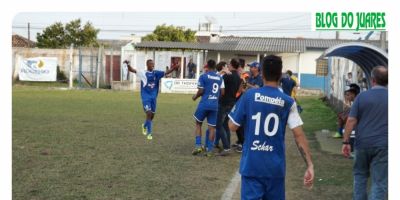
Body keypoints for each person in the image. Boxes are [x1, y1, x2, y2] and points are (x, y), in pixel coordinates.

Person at [228, 55, 314, 199]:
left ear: (262, 74)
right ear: (280, 75)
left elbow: (232, 126)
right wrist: (310, 164)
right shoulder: (288, 101)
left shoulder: (249, 96)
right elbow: (299, 135)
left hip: (252, 166)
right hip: (275, 169)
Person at [342, 66, 388, 200]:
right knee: (379, 182)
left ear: (372, 80)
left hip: (362, 144)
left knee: (360, 176)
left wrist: (346, 142)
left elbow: (351, 120)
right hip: (384, 145)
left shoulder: (361, 97)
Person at [125, 59, 177, 140]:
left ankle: (144, 125)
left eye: (153, 64)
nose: (153, 65)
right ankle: (149, 134)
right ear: (147, 65)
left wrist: (174, 67)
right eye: (151, 64)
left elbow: (166, 72)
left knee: (151, 117)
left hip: (153, 98)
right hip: (145, 97)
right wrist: (128, 64)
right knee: (148, 113)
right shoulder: (143, 73)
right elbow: (131, 70)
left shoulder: (156, 73)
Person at [192, 59, 225, 157]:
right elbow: (223, 92)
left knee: (198, 124)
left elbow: (201, 91)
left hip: (204, 104)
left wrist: (195, 97)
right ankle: (210, 150)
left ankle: (198, 146)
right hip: (214, 105)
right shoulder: (220, 77)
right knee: (212, 128)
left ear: (207, 66)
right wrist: (215, 98)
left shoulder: (203, 76)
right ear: (215, 66)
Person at [214, 59, 242, 156]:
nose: (228, 65)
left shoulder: (227, 76)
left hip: (224, 102)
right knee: (225, 125)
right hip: (232, 102)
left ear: (232, 65)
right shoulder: (238, 77)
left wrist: (222, 72)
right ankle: (227, 146)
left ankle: (226, 147)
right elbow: (239, 90)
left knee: (218, 125)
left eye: (229, 64)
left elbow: (217, 81)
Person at [233, 58, 249, 152]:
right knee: (238, 121)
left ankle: (243, 143)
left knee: (239, 122)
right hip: (237, 98)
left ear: (239, 66)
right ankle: (240, 141)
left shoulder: (244, 75)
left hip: (240, 99)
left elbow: (243, 88)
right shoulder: (240, 74)